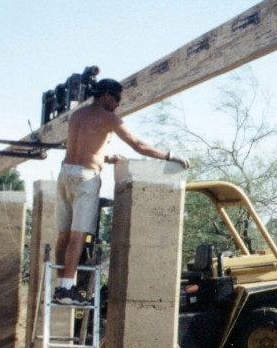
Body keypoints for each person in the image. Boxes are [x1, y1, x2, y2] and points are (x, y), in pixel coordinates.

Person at [54, 77, 190, 305]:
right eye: (117, 99)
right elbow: (137, 144)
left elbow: (81, 147)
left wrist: (107, 158)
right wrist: (169, 156)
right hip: (85, 177)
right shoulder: (108, 117)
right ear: (107, 95)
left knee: (63, 235)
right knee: (78, 236)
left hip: (65, 173)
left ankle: (61, 287)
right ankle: (68, 290)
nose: (118, 104)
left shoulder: (77, 114)